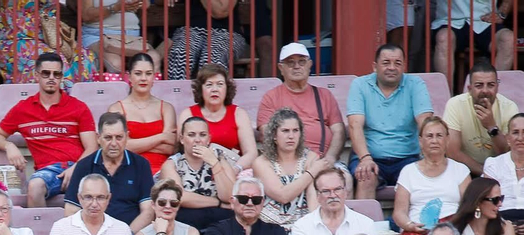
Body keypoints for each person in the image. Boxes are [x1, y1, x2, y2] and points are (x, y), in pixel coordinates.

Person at [0, 51, 98, 208]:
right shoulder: (23, 109)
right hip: (47, 171)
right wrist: (9, 146)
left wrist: (76, 168)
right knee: (34, 186)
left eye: (57, 74)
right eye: (46, 73)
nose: (52, 78)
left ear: (62, 77)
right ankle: (39, 232)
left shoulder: (78, 107)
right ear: (37, 75)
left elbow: (92, 147)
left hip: (78, 166)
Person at [347, 43, 435, 200]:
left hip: (408, 157)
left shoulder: (415, 84)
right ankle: (366, 225)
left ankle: (404, 224)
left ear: (404, 67)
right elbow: (354, 125)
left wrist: (430, 156)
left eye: (397, 63)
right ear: (375, 66)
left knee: (420, 179)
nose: (392, 67)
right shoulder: (360, 85)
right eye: (386, 63)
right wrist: (365, 158)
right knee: (366, 176)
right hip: (370, 156)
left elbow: (425, 122)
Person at [257, 43, 346, 181]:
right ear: (281, 68)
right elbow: (267, 132)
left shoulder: (324, 95)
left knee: (346, 178)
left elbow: (338, 131)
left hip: (323, 161)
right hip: (285, 164)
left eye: (302, 62)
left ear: (309, 65)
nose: (297, 66)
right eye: (290, 63)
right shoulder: (271, 97)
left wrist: (330, 158)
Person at [393, 116, 471, 235]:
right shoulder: (408, 171)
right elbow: (399, 212)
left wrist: (448, 225)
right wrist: (410, 225)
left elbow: (468, 207)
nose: (434, 140)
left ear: (447, 140)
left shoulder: (461, 170)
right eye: (429, 136)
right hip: (419, 229)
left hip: (452, 226)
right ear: (421, 141)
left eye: (439, 136)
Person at [63, 112, 155, 230]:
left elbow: (148, 211)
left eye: (119, 137)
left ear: (127, 137)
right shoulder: (84, 166)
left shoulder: (141, 165)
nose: (113, 143)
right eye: (108, 137)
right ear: (98, 138)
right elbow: (71, 210)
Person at [157, 115, 237, 232]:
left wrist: (214, 164)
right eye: (191, 135)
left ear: (209, 139)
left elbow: (230, 197)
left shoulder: (219, 160)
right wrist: (218, 203)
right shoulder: (172, 164)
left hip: (219, 220)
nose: (197, 140)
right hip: (186, 220)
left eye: (202, 135)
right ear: (182, 139)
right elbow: (179, 197)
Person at [443, 61, 517, 177]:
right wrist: (484, 173)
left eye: (491, 85)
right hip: (464, 171)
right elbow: (452, 152)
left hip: (501, 172)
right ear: (469, 89)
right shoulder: (455, 104)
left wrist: (491, 127)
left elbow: (508, 152)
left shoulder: (509, 107)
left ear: (497, 87)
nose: (485, 91)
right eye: (479, 85)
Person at [108, 52, 178, 176]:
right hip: (129, 170)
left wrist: (133, 144)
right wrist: (161, 137)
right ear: (129, 77)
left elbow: (171, 147)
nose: (143, 78)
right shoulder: (117, 108)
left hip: (163, 172)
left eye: (148, 73)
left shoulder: (166, 108)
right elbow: (119, 147)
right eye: (138, 73)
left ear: (154, 77)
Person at [431, 0, 515, 92]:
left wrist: (502, 13)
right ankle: (445, 97)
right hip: (450, 20)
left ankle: (494, 94)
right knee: (443, 37)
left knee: (508, 39)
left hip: (485, 21)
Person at [152, 0, 248, 81]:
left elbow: (220, 12)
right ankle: (177, 100)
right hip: (191, 30)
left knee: (212, 57)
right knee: (180, 53)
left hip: (227, 32)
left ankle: (209, 100)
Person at [186, 63, 257, 167]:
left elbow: (251, 153)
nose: (215, 89)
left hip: (234, 170)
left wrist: (234, 170)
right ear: (200, 89)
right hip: (198, 170)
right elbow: (184, 151)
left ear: (227, 88)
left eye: (220, 84)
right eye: (209, 85)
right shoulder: (188, 114)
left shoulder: (239, 114)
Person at [77, 0, 147, 72]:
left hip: (132, 38)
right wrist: (116, 7)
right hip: (98, 36)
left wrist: (135, 3)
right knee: (115, 63)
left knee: (154, 59)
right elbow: (86, 16)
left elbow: (146, 5)